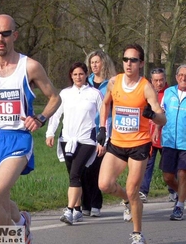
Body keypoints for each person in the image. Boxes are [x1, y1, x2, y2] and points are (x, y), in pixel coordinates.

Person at [0, 14, 61, 243]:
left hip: (17, 140)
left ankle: (16, 236)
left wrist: (41, 118)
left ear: (14, 35)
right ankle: (22, 222)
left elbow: (55, 98)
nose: (0, 38)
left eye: (5, 33)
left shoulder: (30, 67)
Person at [96, 43, 166, 244]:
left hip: (139, 144)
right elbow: (105, 103)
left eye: (133, 60)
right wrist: (102, 129)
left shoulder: (146, 87)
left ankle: (137, 233)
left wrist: (152, 114)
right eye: (126, 59)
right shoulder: (114, 82)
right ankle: (126, 200)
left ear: (141, 63)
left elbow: (163, 119)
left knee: (133, 188)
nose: (128, 63)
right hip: (117, 143)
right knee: (104, 184)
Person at [46, 62, 104, 225]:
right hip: (67, 139)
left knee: (75, 174)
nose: (78, 77)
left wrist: (103, 138)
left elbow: (105, 117)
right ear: (71, 76)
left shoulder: (95, 94)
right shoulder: (65, 94)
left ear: (86, 75)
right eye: (75, 74)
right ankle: (78, 210)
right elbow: (56, 115)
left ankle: (69, 210)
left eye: (81, 74)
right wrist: (50, 132)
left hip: (86, 140)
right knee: (73, 175)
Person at [81, 50, 116, 217]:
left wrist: (107, 135)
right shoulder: (85, 82)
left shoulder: (111, 84)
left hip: (102, 129)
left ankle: (96, 203)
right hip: (85, 130)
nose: (94, 65)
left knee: (95, 168)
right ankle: (84, 203)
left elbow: (112, 111)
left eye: (97, 62)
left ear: (104, 64)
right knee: (83, 169)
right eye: (92, 62)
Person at [139, 68, 171, 203]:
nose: (159, 83)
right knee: (147, 165)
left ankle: (173, 191)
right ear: (151, 81)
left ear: (165, 79)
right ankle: (143, 191)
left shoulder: (170, 93)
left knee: (169, 167)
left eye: (161, 80)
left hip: (167, 137)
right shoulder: (147, 93)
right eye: (156, 80)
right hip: (149, 136)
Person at [160, 64, 186, 221]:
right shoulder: (168, 93)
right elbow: (160, 113)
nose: (184, 78)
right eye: (181, 75)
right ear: (176, 77)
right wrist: (156, 130)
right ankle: (182, 194)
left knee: (183, 173)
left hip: (185, 143)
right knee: (168, 177)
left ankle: (179, 206)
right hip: (169, 141)